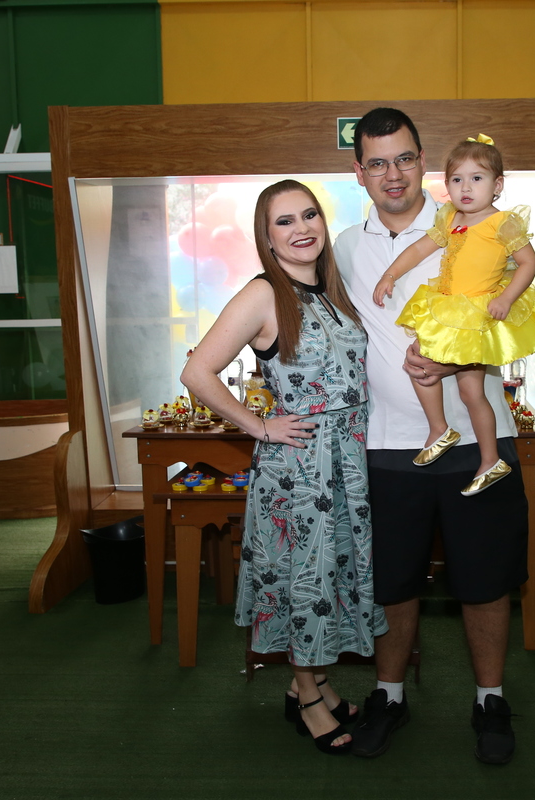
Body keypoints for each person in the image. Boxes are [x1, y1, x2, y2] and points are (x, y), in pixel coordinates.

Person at [333, 108, 528, 765]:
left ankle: (490, 699)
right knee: (392, 580)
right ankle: (388, 695)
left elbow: (516, 311)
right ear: (359, 172)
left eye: (405, 158)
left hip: (476, 439)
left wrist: (452, 361)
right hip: (385, 445)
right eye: (377, 162)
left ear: (424, 163)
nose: (393, 173)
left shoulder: (470, 223)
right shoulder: (344, 247)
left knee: (485, 578)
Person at [180, 179, 385, 756]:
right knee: (306, 577)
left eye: (309, 215)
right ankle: (307, 696)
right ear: (267, 238)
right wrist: (261, 426)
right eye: (285, 221)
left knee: (332, 574)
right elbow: (196, 373)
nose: (301, 229)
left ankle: (311, 682)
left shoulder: (332, 291)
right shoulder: (264, 293)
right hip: (300, 469)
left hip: (345, 465)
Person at [372, 135, 535, 496]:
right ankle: (449, 435)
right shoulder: (450, 218)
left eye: (477, 178)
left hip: (477, 312)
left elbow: (529, 264)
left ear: (497, 185)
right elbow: (419, 248)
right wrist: (390, 274)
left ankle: (481, 453)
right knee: (437, 373)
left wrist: (506, 297)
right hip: (449, 308)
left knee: (455, 382)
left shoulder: (502, 223)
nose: (465, 188)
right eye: (457, 180)